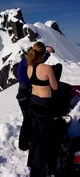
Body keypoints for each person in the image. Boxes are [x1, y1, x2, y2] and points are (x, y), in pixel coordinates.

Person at [26, 42, 68, 176]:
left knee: (37, 132)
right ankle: (47, 164)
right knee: (46, 135)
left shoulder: (29, 67)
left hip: (33, 102)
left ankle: (34, 160)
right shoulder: (47, 68)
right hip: (45, 104)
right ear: (44, 53)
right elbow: (55, 87)